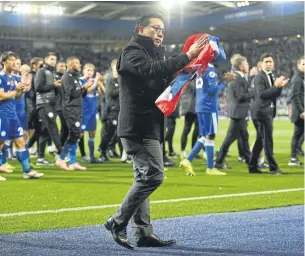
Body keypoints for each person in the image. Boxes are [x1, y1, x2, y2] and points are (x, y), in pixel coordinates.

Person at [104, 13, 207, 249]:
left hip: (150, 123)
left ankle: (143, 233)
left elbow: (160, 78)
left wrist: (186, 71)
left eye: (163, 30)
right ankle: (117, 222)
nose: (160, 33)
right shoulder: (131, 52)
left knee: (143, 178)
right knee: (153, 176)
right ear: (141, 28)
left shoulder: (154, 53)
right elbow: (151, 70)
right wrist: (186, 56)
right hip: (137, 125)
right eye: (155, 28)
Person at [180, 65, 235, 176]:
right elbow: (212, 90)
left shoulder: (200, 68)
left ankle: (190, 161)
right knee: (210, 135)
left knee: (205, 136)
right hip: (209, 106)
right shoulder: (210, 69)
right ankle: (208, 167)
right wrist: (225, 82)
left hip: (200, 105)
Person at [0, 51, 44, 180]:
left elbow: (17, 97)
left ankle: (27, 171)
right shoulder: (1, 77)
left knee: (20, 141)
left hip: (12, 115)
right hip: (2, 115)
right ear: (3, 62)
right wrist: (16, 90)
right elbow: (1, 96)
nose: (14, 62)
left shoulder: (15, 78)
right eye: (11, 60)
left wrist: (23, 90)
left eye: (15, 59)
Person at [248, 53, 289, 174]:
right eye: (266, 62)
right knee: (267, 140)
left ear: (273, 64)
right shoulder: (259, 77)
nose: (268, 64)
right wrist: (275, 86)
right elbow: (262, 94)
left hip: (267, 111)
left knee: (260, 140)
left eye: (270, 61)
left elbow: (274, 94)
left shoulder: (271, 76)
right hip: (261, 112)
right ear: (261, 64)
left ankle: (252, 166)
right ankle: (273, 167)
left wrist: (279, 87)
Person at [215, 56, 254, 169]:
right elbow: (240, 96)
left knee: (243, 137)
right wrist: (254, 92)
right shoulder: (237, 78)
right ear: (241, 67)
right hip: (238, 112)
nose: (248, 66)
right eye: (246, 64)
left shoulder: (237, 77)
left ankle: (250, 161)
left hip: (238, 112)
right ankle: (219, 161)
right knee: (231, 138)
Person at [56, 57, 94, 171]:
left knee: (76, 135)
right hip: (70, 109)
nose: (80, 64)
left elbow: (80, 95)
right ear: (70, 64)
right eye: (77, 63)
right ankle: (62, 159)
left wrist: (85, 89)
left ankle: (73, 162)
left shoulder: (75, 77)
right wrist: (84, 87)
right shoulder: (67, 77)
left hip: (77, 109)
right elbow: (72, 93)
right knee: (74, 134)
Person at [34, 52, 63, 161]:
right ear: (46, 60)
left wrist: (57, 87)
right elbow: (38, 87)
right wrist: (53, 85)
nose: (53, 61)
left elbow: (52, 89)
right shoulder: (42, 71)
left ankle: (40, 158)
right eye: (51, 59)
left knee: (45, 130)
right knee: (53, 128)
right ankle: (61, 154)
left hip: (51, 104)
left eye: (55, 59)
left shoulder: (52, 73)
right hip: (44, 103)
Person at [79, 63, 103, 163]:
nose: (89, 72)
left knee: (92, 133)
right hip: (83, 111)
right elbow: (86, 92)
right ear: (83, 71)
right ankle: (74, 156)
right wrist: (96, 81)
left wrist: (99, 82)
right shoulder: (80, 80)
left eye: (91, 71)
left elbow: (100, 93)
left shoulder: (94, 81)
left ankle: (92, 156)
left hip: (92, 111)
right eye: (88, 70)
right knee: (79, 134)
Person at [289, 56, 304, 166]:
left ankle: (297, 151)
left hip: (302, 111)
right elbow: (294, 96)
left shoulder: (302, 77)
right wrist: (302, 111)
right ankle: (293, 158)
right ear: (298, 65)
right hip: (300, 112)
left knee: (299, 134)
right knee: (297, 134)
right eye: (303, 64)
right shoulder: (297, 78)